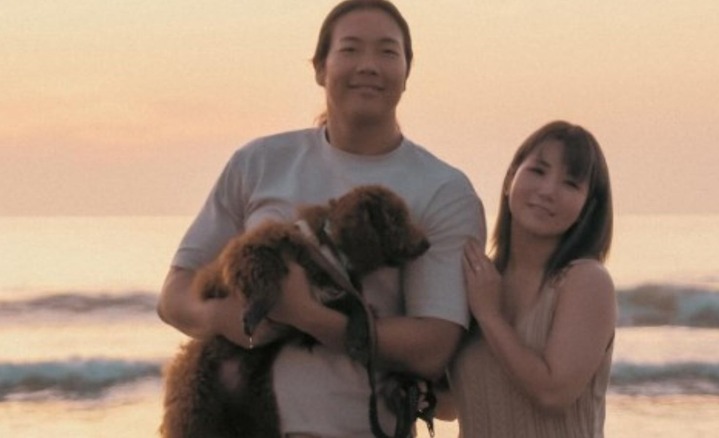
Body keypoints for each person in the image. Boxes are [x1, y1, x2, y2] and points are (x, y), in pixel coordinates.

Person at [156, 0, 485, 437]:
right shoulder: (260, 162)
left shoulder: (443, 189)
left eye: (387, 51)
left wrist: (308, 315)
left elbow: (432, 347)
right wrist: (228, 319)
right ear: (319, 68)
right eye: (350, 49)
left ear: (407, 71)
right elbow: (174, 294)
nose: (368, 65)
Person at [446, 121, 615, 437]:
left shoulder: (585, 281)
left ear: (587, 208)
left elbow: (553, 394)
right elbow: (449, 406)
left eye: (570, 184)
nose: (548, 191)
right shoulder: (481, 279)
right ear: (511, 178)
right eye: (538, 171)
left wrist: (490, 316)